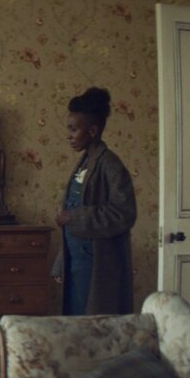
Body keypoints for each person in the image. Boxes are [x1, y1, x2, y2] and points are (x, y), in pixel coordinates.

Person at [51, 87, 136, 315]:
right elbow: (70, 214)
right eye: (68, 129)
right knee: (75, 320)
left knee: (93, 323)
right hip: (75, 261)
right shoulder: (84, 163)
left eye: (73, 129)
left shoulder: (110, 164)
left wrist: (74, 217)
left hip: (96, 264)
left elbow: (124, 214)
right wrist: (62, 262)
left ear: (92, 130)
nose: (68, 135)